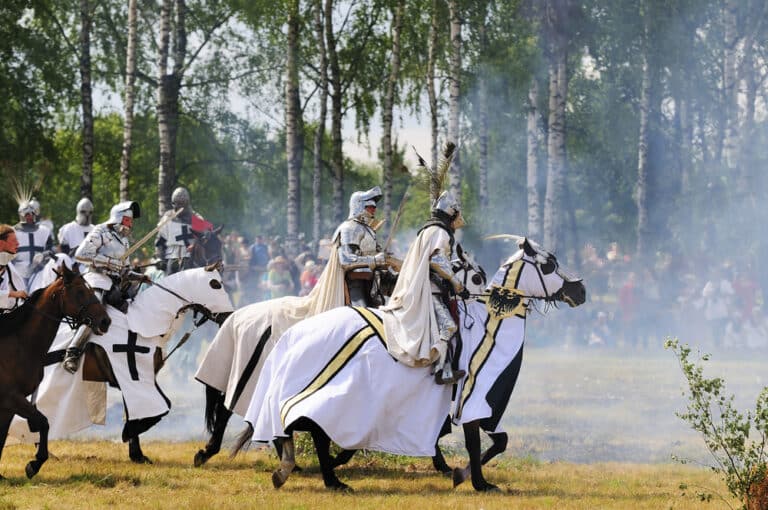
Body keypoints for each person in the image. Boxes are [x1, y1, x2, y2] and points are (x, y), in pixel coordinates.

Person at [380, 190, 469, 385]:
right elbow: (437, 260)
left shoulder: (429, 230)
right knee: (449, 326)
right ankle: (443, 371)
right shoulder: (440, 232)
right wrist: (458, 283)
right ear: (451, 213)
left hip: (426, 287)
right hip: (429, 290)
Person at [62, 201, 141, 373]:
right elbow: (81, 254)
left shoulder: (125, 241)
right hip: (96, 279)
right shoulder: (100, 231)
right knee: (95, 312)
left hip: (115, 284)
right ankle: (72, 353)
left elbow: (124, 269)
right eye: (128, 220)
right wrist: (109, 262)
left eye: (131, 221)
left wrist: (139, 276)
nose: (130, 224)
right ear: (119, 217)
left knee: (133, 307)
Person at [332, 186, 394, 306]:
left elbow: (372, 252)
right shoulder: (350, 227)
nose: (374, 209)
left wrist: (383, 257)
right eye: (370, 206)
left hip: (372, 281)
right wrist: (374, 259)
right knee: (362, 312)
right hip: (355, 283)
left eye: (374, 207)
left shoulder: (367, 229)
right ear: (358, 205)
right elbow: (346, 259)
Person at [154, 186, 211, 275]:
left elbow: (205, 231)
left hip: (190, 258)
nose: (179, 207)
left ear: (186, 204)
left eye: (181, 204)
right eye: (177, 204)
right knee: (168, 276)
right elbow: (160, 240)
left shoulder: (194, 217)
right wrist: (159, 258)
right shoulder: (168, 217)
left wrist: (206, 233)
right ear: (173, 203)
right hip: (172, 259)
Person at [12, 197, 55, 290]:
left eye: (32, 214)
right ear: (21, 215)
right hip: (18, 272)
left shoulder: (44, 231)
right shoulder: (12, 232)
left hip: (39, 271)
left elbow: (51, 250)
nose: (30, 216)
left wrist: (43, 255)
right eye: (27, 214)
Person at [0, 224, 27, 312]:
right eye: (14, 240)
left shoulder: (8, 265)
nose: (18, 243)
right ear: (1, 243)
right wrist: (14, 294)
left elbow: (21, 290)